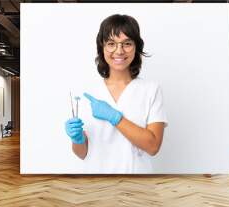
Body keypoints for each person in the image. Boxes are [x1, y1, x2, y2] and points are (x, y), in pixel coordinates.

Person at [64, 14, 168, 173]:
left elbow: (153, 146)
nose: (119, 51)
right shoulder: (88, 94)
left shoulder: (151, 90)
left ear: (136, 47)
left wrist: (115, 117)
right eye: (111, 43)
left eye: (127, 43)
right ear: (102, 47)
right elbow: (82, 153)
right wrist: (77, 139)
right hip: (97, 183)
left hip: (137, 184)